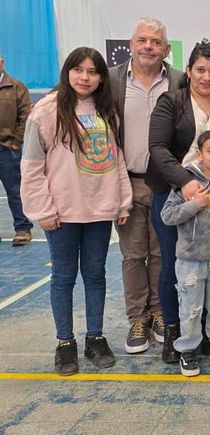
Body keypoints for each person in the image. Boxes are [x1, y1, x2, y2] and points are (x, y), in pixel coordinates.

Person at [21, 47, 132, 376]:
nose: (85, 77)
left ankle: (95, 338)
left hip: (98, 211)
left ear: (101, 77)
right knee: (64, 277)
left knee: (96, 276)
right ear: (67, 72)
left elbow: (117, 161)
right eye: (79, 70)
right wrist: (42, 208)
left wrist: (121, 200)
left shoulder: (106, 112)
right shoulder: (46, 111)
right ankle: (65, 343)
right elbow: (31, 166)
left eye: (93, 72)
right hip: (62, 213)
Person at [148, 41, 210, 363]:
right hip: (175, 194)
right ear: (190, 72)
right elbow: (157, 147)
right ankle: (174, 333)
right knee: (175, 267)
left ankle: (209, 336)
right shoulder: (171, 101)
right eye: (200, 69)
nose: (207, 76)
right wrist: (184, 182)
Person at [108, 17, 185, 354]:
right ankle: (137, 317)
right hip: (126, 180)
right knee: (132, 254)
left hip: (167, 184)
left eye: (156, 42)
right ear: (131, 43)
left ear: (166, 48)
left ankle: (158, 313)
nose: (149, 47)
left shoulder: (180, 81)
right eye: (143, 40)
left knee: (161, 253)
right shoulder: (110, 81)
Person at [160, 129, 210, 377]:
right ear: (199, 154)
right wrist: (195, 204)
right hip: (190, 261)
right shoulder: (187, 185)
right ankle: (188, 350)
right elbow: (167, 216)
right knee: (190, 309)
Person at [0, 49, 33, 246]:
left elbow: (25, 116)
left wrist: (15, 142)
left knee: (15, 192)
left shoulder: (17, 87)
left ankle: (22, 229)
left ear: (2, 63)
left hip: (7, 149)